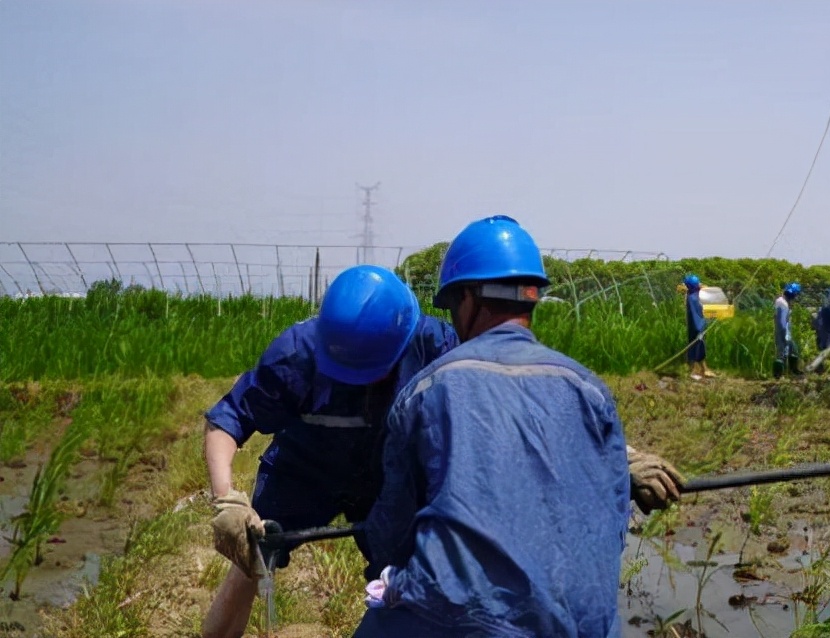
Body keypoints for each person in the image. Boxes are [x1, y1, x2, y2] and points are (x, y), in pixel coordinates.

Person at [355, 215, 630, 637]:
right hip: (587, 625)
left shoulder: (427, 389)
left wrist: (387, 575)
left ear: (469, 299)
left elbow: (392, 531)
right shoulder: (589, 389)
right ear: (531, 297)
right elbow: (612, 516)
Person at [201, 265, 458, 638]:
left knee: (406, 577)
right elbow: (226, 421)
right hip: (305, 466)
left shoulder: (435, 344)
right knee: (250, 559)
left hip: (388, 474)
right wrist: (227, 500)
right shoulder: (295, 354)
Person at [684, 273, 716, 379]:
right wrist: (700, 328)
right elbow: (696, 315)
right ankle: (693, 371)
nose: (700, 284)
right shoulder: (693, 298)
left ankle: (704, 369)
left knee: (699, 347)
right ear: (695, 285)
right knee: (695, 347)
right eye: (697, 283)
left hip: (697, 327)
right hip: (697, 327)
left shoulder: (692, 294)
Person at [773, 282, 803, 378]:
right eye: (796, 294)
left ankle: (793, 371)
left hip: (784, 331)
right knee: (781, 353)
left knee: (793, 350)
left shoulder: (783, 302)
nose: (795, 297)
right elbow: (781, 320)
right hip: (782, 331)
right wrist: (784, 334)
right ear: (792, 294)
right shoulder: (782, 303)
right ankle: (777, 375)